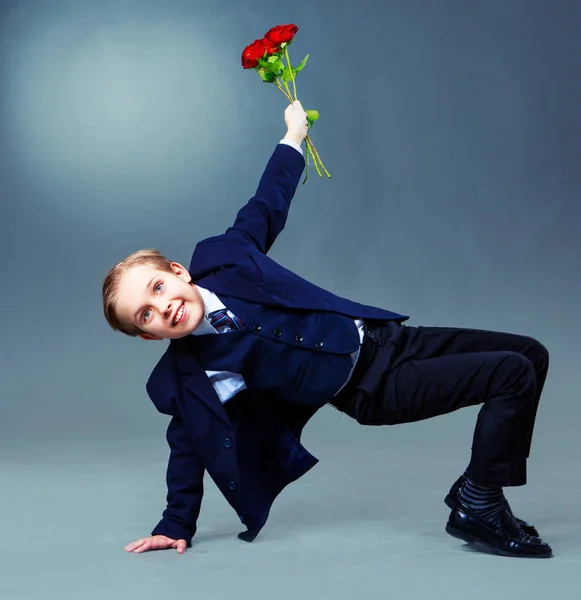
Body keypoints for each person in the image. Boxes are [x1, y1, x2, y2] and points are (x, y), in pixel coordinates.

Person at [102, 101, 552, 558]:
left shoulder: (228, 257)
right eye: (146, 314)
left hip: (387, 338)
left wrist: (293, 136)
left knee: (531, 355)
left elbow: (266, 204)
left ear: (179, 272)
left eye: (158, 287)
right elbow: (188, 446)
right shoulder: (191, 376)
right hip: (372, 389)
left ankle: (485, 493)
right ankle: (480, 500)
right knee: (510, 374)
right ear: (150, 335)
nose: (163, 307)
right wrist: (175, 522)